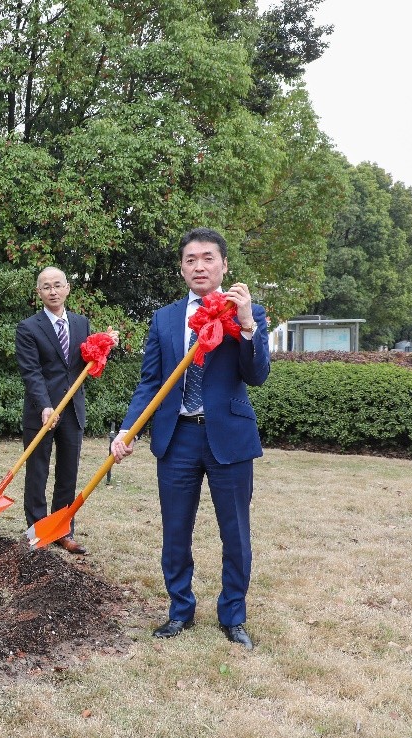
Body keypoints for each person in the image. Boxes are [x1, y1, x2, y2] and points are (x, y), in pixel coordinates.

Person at [110, 227, 269, 650]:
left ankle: (233, 615)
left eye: (208, 258)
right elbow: (149, 383)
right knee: (175, 530)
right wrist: (128, 430)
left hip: (229, 441)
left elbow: (257, 375)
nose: (199, 265)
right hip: (176, 437)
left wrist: (249, 324)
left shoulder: (246, 313)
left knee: (235, 531)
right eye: (191, 259)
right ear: (182, 268)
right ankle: (180, 609)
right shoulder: (164, 318)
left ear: (224, 265)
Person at [15, 266, 92, 554]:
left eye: (57, 285)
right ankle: (38, 530)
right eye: (46, 287)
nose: (53, 291)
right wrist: (45, 406)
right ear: (39, 293)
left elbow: (87, 363)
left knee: (68, 472)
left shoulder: (82, 323)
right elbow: (31, 372)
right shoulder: (28, 328)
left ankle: (63, 530)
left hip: (72, 409)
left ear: (67, 288)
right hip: (41, 410)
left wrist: (104, 348)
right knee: (37, 471)